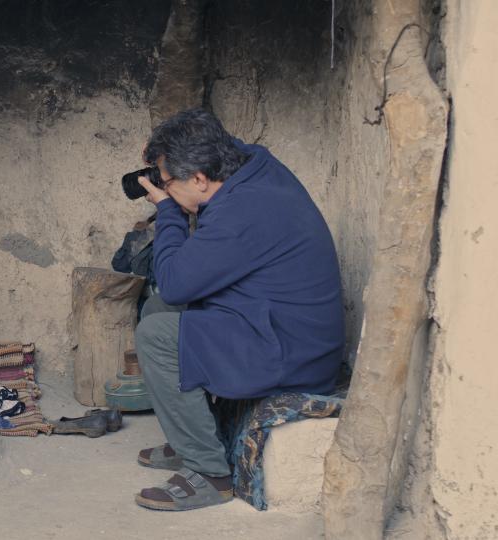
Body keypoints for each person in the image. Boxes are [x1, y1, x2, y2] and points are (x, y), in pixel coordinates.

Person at [131, 109, 344, 511]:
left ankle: (209, 473)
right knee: (157, 309)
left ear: (199, 179)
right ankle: (193, 435)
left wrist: (169, 212)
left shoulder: (240, 212)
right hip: (278, 321)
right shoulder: (253, 165)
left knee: (156, 334)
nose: (164, 186)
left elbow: (176, 283)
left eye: (168, 180)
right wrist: (165, 152)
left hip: (291, 352)